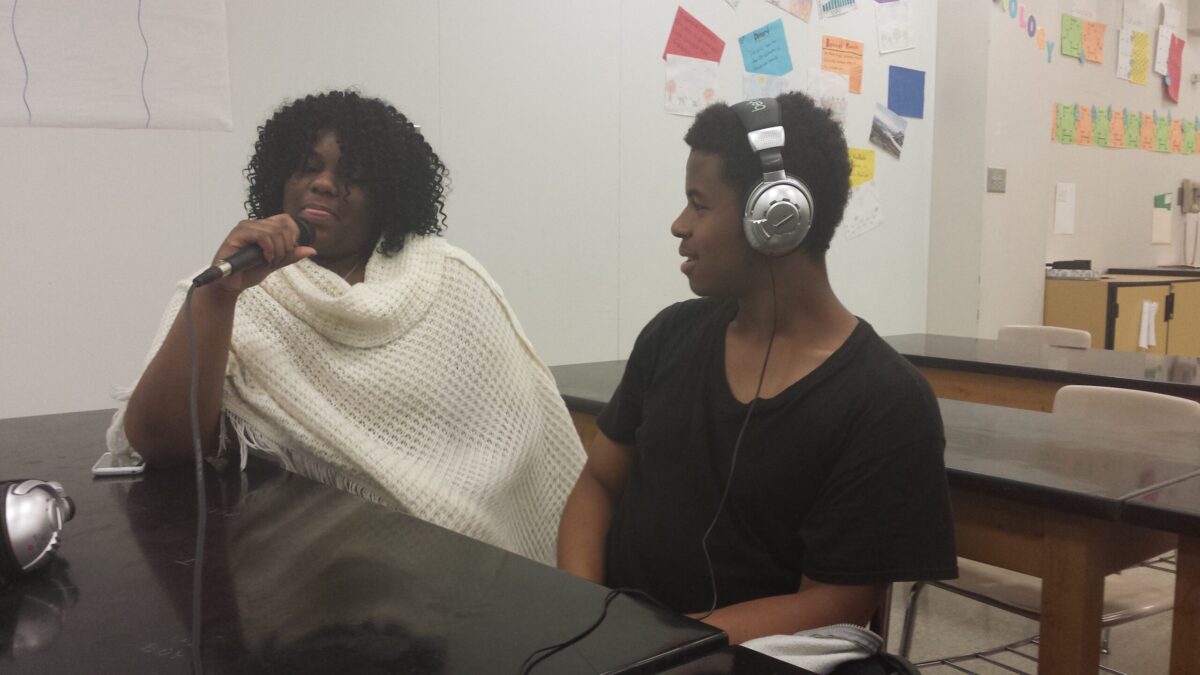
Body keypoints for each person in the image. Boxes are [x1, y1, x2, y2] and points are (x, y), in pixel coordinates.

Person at [107, 90, 584, 564]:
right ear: (280, 176)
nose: (324, 185)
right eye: (307, 166)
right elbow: (161, 443)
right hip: (305, 565)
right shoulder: (227, 288)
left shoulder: (447, 279)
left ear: (389, 195)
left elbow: (518, 442)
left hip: (466, 557)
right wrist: (217, 298)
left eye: (352, 176)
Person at [557, 92, 957, 645]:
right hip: (614, 646)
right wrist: (583, 615)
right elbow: (598, 484)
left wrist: (656, 648)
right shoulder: (670, 335)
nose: (679, 225)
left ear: (776, 218)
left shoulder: (886, 402)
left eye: (699, 204)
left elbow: (837, 603)